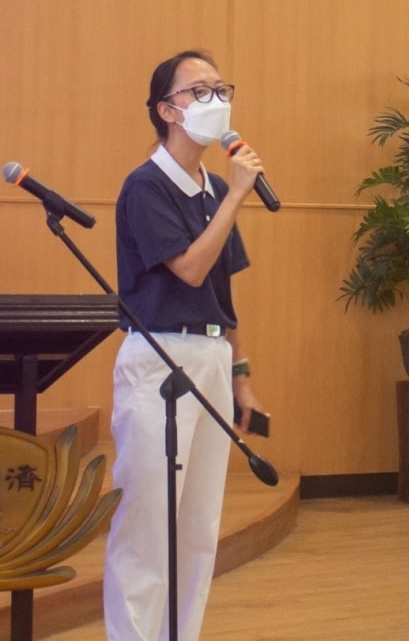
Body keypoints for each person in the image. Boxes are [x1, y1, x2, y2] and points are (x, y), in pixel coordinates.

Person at [103, 50, 265, 641]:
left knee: (198, 528)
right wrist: (237, 198)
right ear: (167, 108)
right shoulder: (147, 186)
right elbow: (190, 271)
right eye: (200, 90)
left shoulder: (215, 188)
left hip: (213, 358)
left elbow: (222, 292)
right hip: (160, 362)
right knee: (148, 527)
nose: (216, 99)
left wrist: (241, 370)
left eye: (222, 87)